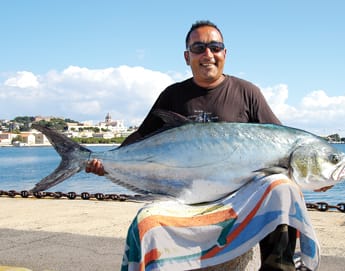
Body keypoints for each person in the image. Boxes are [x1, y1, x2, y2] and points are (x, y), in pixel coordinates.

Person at [86, 20, 298, 271]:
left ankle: (278, 268)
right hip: (181, 197)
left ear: (224, 54)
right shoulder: (172, 95)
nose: (208, 54)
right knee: (145, 221)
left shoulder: (247, 92)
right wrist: (109, 161)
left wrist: (316, 173)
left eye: (215, 47)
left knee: (283, 187)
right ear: (187, 57)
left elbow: (280, 142)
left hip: (237, 199)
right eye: (199, 48)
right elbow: (142, 135)